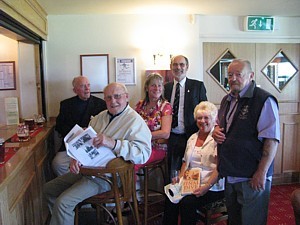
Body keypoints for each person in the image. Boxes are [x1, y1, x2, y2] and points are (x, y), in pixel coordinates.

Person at [44, 82, 152, 225]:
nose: (113, 101)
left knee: (63, 203)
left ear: (126, 97)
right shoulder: (99, 117)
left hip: (108, 177)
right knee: (48, 189)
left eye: (117, 96)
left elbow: (143, 154)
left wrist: (114, 143)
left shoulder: (135, 121)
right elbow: (85, 143)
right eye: (108, 98)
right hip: (87, 171)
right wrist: (75, 158)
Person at [213, 59, 280, 225]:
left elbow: (272, 140)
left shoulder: (263, 100)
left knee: (252, 221)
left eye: (238, 74)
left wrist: (261, 173)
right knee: (235, 220)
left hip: (252, 176)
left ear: (250, 76)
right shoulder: (227, 100)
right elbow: (224, 127)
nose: (233, 78)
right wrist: (215, 132)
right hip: (231, 172)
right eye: (230, 75)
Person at [163, 101, 224, 225]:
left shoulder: (218, 139)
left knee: (187, 203)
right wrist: (180, 179)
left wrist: (205, 188)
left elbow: (220, 168)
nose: (202, 121)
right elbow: (185, 163)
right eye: (199, 118)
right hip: (190, 182)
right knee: (170, 196)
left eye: (206, 118)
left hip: (212, 186)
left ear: (214, 119)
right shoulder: (192, 138)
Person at [52, 76, 106, 176]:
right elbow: (60, 126)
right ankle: (71, 182)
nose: (87, 88)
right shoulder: (66, 105)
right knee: (58, 163)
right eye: (82, 86)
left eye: (88, 85)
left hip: (93, 144)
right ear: (75, 90)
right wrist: (78, 132)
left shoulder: (101, 104)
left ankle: (85, 184)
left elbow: (105, 126)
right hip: (72, 144)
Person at [164, 55, 207, 179]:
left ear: (187, 67)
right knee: (172, 172)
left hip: (191, 136)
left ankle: (188, 197)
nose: (178, 67)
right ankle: (173, 197)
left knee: (190, 170)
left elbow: (205, 109)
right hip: (172, 136)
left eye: (182, 64)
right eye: (175, 65)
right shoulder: (166, 88)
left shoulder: (197, 86)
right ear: (171, 67)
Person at [134, 73, 172, 170]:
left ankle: (131, 185)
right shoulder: (140, 105)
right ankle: (128, 185)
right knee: (123, 160)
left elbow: (165, 133)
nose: (156, 88)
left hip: (157, 148)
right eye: (153, 85)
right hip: (139, 145)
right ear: (147, 88)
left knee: (133, 164)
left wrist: (143, 136)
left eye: (159, 85)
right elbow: (133, 126)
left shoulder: (165, 106)